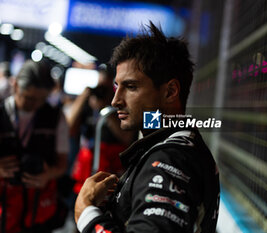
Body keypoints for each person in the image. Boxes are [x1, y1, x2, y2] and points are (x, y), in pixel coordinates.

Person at [74, 22, 220, 233]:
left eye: (131, 87)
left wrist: (86, 213)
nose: (116, 100)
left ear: (170, 92)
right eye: (117, 86)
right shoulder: (176, 144)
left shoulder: (170, 160)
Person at [0, 60, 69, 233]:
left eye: (41, 100)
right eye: (29, 98)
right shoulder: (1, 112)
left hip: (38, 208)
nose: (35, 105)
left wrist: (47, 175)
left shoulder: (55, 117)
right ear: (15, 85)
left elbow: (62, 164)